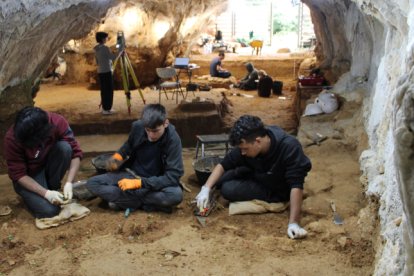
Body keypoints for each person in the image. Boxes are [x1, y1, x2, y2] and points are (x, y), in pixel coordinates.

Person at [195, 115, 311, 239]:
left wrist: (294, 223)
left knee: (228, 189)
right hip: (256, 173)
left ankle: (273, 198)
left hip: (276, 186)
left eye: (245, 149)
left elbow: (296, 185)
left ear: (258, 141)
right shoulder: (249, 142)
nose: (243, 153)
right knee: (221, 179)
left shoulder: (289, 147)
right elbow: (223, 164)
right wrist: (205, 188)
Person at [86, 104, 184, 213]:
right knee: (92, 183)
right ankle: (147, 204)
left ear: (166, 123)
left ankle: (126, 201)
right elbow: (128, 145)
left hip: (155, 181)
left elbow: (172, 177)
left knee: (175, 195)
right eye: (148, 130)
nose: (151, 135)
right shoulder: (138, 127)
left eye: (155, 131)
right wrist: (118, 156)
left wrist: (139, 183)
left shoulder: (173, 140)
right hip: (131, 174)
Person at [4, 107, 83, 218]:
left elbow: (76, 153)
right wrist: (46, 194)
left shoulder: (57, 122)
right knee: (49, 211)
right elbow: (19, 174)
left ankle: (52, 187)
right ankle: (41, 193)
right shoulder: (12, 138)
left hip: (48, 165)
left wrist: (69, 182)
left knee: (64, 148)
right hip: (29, 176)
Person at [94, 31, 116, 115]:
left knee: (104, 90)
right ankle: (106, 109)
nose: (107, 39)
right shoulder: (105, 48)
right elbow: (112, 58)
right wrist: (120, 51)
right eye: (106, 37)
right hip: (107, 71)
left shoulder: (96, 49)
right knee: (109, 90)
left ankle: (106, 108)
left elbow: (97, 61)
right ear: (103, 39)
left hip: (101, 71)